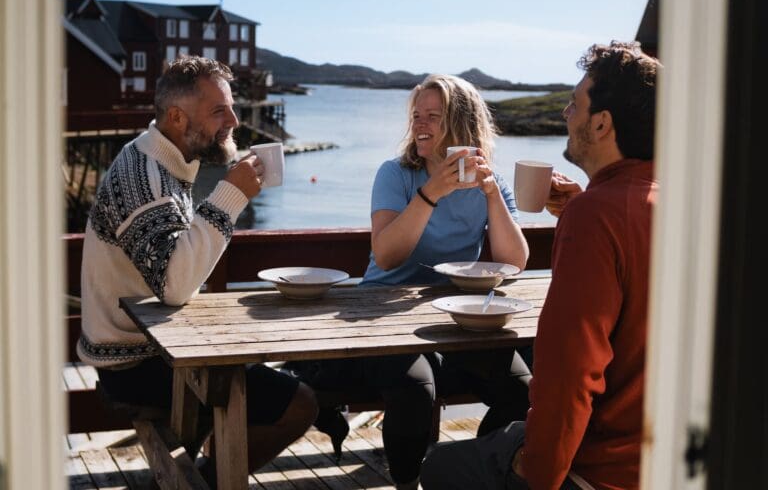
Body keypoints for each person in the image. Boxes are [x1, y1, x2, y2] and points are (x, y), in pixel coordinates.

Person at [420, 41, 661, 490]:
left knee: (438, 467)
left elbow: (572, 371)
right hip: (661, 460)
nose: (566, 114)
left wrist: (540, 473)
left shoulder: (597, 216)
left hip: (600, 468)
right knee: (504, 425)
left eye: (574, 105)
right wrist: (584, 204)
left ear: (603, 123)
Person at [77, 56, 318, 474]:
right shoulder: (145, 179)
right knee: (301, 404)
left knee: (275, 375)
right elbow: (174, 284)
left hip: (153, 346)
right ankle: (210, 482)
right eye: (219, 111)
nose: (235, 121)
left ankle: (201, 476)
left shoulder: (158, 158)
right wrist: (231, 195)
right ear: (175, 116)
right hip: (133, 361)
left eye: (232, 107)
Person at [293, 73, 530, 489]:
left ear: (464, 125)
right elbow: (386, 254)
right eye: (417, 115)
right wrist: (431, 194)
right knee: (416, 392)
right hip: (380, 316)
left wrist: (493, 195)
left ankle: (476, 466)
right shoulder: (397, 174)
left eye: (434, 117)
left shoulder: (489, 182)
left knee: (523, 391)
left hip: (458, 320)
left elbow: (514, 261)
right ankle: (406, 484)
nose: (420, 124)